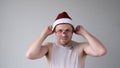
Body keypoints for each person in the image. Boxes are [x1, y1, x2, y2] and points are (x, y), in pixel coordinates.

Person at [26, 11, 107, 68]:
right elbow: (30, 55)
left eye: (67, 30)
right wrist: (43, 35)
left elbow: (101, 51)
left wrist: (84, 33)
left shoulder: (81, 47)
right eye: (60, 31)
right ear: (55, 32)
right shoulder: (49, 47)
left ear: (72, 32)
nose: (64, 34)